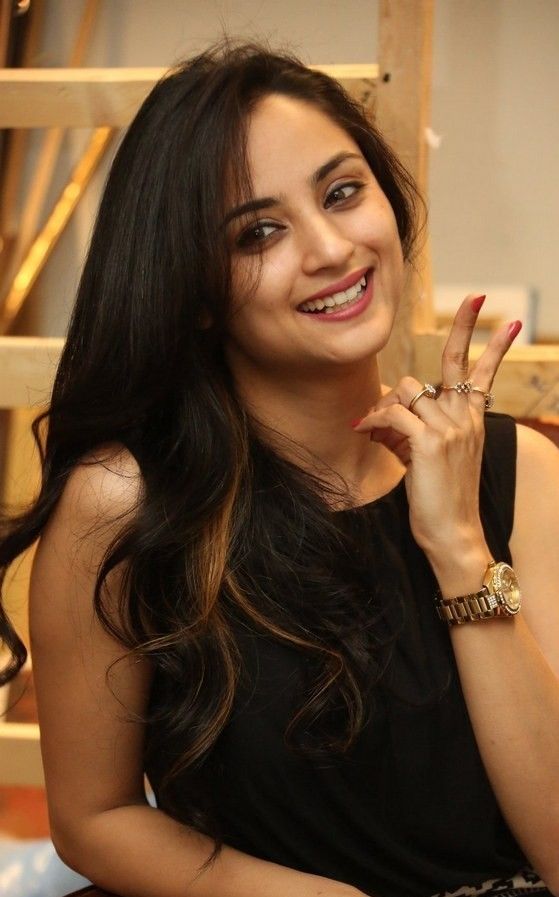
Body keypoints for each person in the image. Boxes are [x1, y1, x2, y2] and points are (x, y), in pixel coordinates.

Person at [1, 40, 558, 897]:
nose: (331, 247)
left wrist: (457, 544)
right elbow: (93, 816)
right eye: (257, 232)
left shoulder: (523, 470)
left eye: (342, 192)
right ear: (191, 289)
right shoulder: (125, 503)